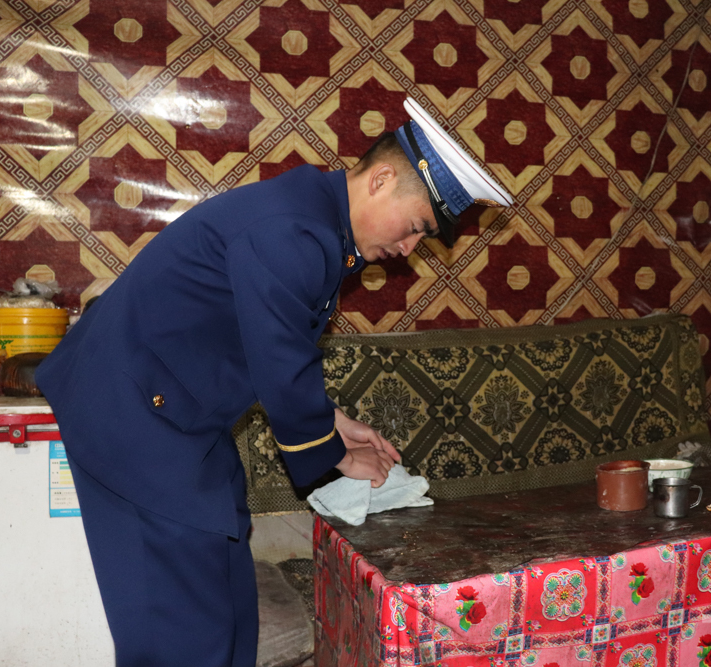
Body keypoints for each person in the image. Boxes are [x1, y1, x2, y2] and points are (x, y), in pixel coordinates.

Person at [35, 98, 513, 667]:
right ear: (382, 179)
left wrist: (332, 422)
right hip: (132, 416)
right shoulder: (293, 229)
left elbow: (262, 343)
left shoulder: (316, 221)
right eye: (415, 228)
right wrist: (338, 456)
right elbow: (283, 361)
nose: (409, 250)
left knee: (229, 598)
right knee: (183, 631)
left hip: (175, 406)